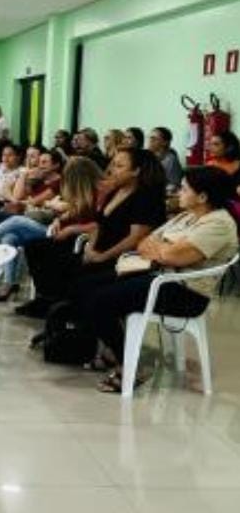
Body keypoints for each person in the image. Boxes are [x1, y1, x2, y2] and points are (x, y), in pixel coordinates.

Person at [79, 166, 238, 393]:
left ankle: (131, 364)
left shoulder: (218, 224)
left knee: (100, 301)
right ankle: (113, 351)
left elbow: (175, 256)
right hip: (160, 277)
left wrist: (164, 250)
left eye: (184, 189)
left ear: (202, 196)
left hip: (185, 293)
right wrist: (165, 250)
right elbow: (144, 243)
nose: (178, 193)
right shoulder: (187, 216)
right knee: (86, 285)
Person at [16, 148, 167, 317]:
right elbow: (98, 225)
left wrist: (102, 256)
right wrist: (90, 248)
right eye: (113, 164)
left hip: (120, 257)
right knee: (36, 247)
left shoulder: (146, 197)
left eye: (119, 166)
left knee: (68, 272)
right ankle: (52, 304)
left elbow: (135, 238)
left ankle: (62, 313)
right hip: (98, 249)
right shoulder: (117, 191)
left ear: (136, 171)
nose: (112, 170)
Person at [0, 157, 104, 301]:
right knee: (9, 237)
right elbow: (69, 213)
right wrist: (57, 220)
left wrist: (69, 227)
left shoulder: (97, 195)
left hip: (67, 236)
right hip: (56, 229)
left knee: (16, 221)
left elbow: (96, 224)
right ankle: (9, 284)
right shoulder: (83, 194)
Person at [0, 143, 23, 210]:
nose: (6, 158)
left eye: (10, 155)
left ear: (18, 157)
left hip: (2, 203)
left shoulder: (20, 172)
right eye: (4, 155)